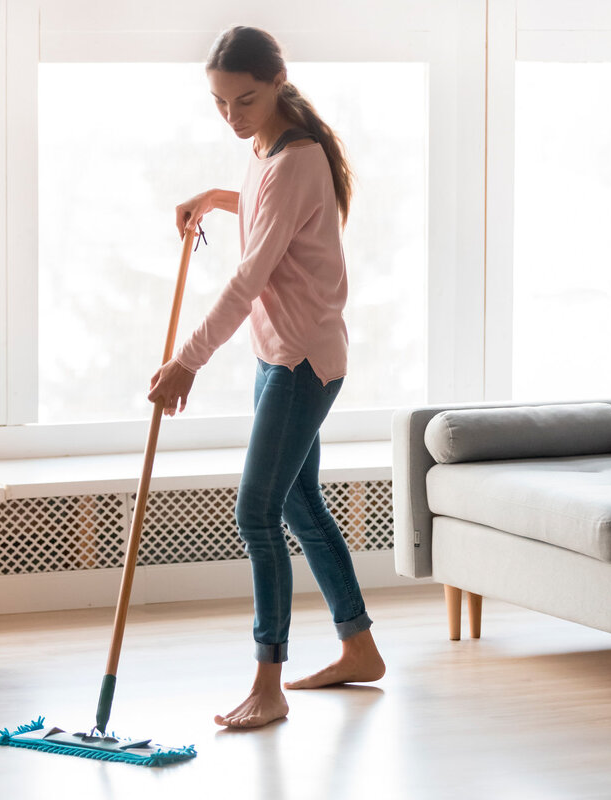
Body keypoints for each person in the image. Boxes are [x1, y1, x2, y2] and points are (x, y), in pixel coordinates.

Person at [147, 25, 385, 730]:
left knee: (257, 511)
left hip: (302, 363)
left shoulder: (297, 160)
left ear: (278, 80)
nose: (233, 116)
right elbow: (266, 203)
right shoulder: (268, 147)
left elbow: (250, 275)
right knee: (300, 504)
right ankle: (360, 646)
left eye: (244, 100)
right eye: (220, 103)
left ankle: (267, 682)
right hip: (280, 355)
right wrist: (216, 197)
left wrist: (186, 359)